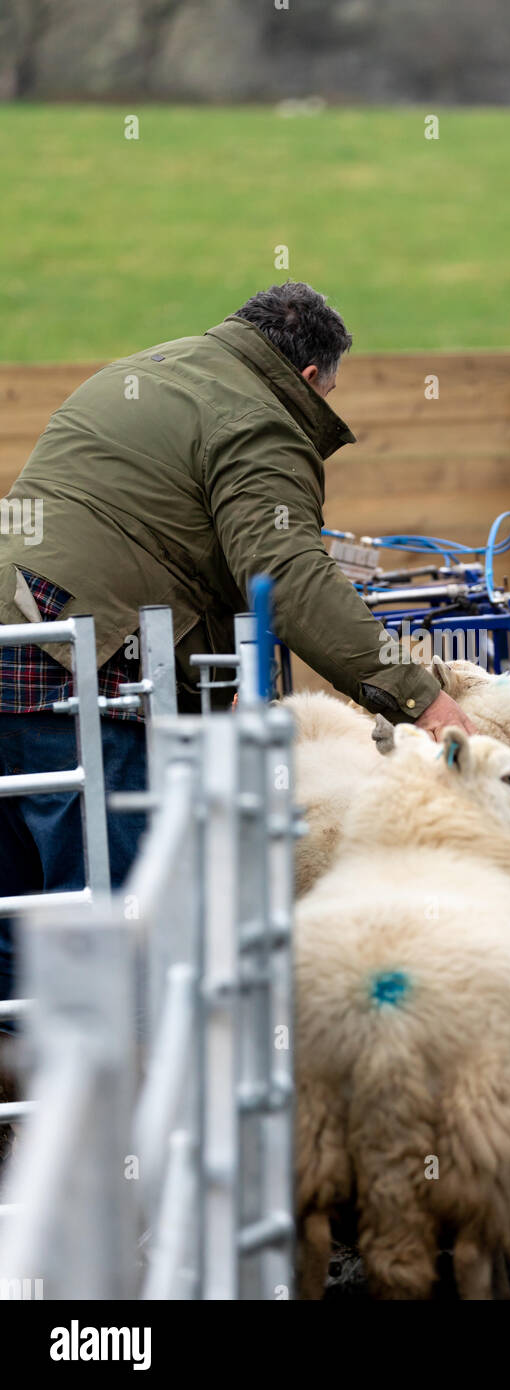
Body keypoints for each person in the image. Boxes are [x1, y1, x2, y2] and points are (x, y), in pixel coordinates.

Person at [0, 280, 475, 1001]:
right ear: (310, 376)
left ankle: (26, 1089)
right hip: (83, 663)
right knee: (111, 899)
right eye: (332, 392)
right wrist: (423, 700)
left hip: (22, 626)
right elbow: (285, 574)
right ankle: (118, 1096)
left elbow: (166, 537)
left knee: (15, 900)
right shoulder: (257, 421)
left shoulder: (151, 370)